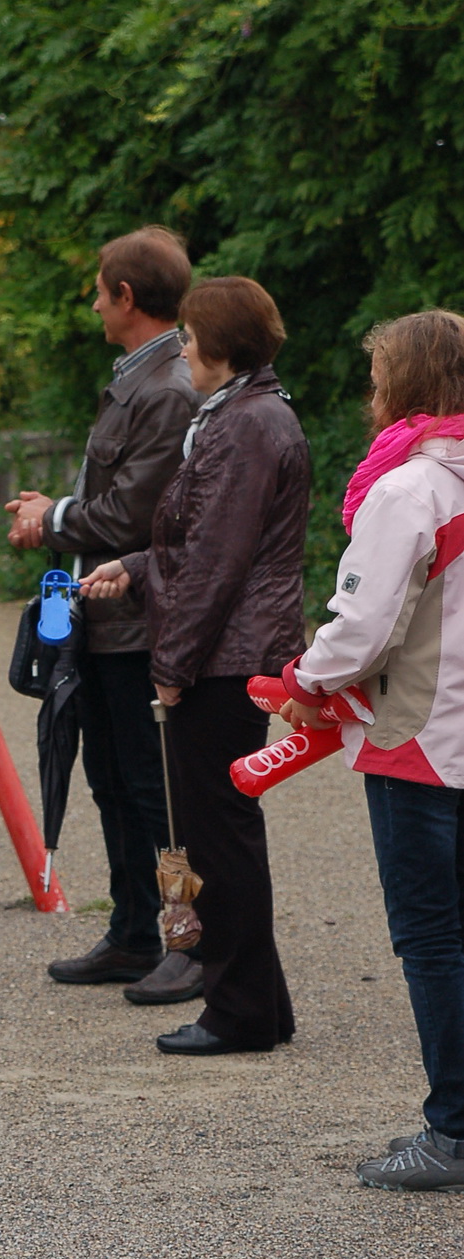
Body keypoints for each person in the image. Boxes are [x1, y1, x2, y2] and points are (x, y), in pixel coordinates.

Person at [82, 275, 308, 1054]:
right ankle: (257, 1003)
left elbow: (216, 559)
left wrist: (170, 664)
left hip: (221, 657)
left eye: (188, 336)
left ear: (218, 345)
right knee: (223, 833)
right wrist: (138, 567)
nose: (180, 347)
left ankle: (239, 1011)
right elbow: (199, 540)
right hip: (230, 646)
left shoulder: (244, 424)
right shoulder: (241, 415)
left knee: (218, 837)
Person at [280, 310, 464, 1191]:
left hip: (420, 739)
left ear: (404, 386)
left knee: (432, 939)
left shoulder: (407, 490)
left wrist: (303, 680)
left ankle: (453, 1130)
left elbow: (360, 630)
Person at [6, 227, 202, 1004]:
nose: (92, 302)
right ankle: (129, 933)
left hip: (137, 622)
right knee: (110, 782)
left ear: (125, 296)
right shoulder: (143, 379)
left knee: (150, 792)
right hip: (102, 619)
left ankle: (182, 943)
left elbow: (135, 512)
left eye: (98, 289)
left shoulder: (165, 388)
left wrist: (49, 516)